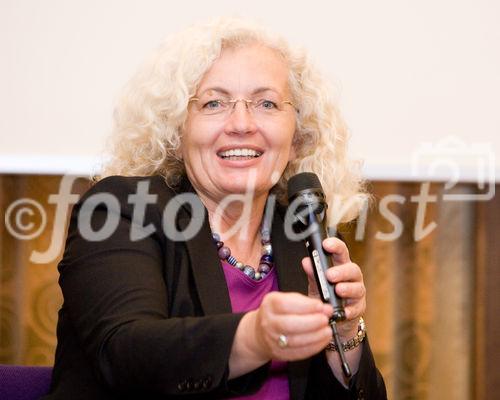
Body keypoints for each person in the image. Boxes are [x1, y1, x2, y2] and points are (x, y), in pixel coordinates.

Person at [43, 18, 386, 399]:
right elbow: (124, 353)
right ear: (175, 132)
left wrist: (343, 334)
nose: (241, 123)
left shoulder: (303, 234)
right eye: (213, 103)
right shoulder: (121, 211)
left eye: (267, 103)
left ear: (298, 138)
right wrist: (254, 338)